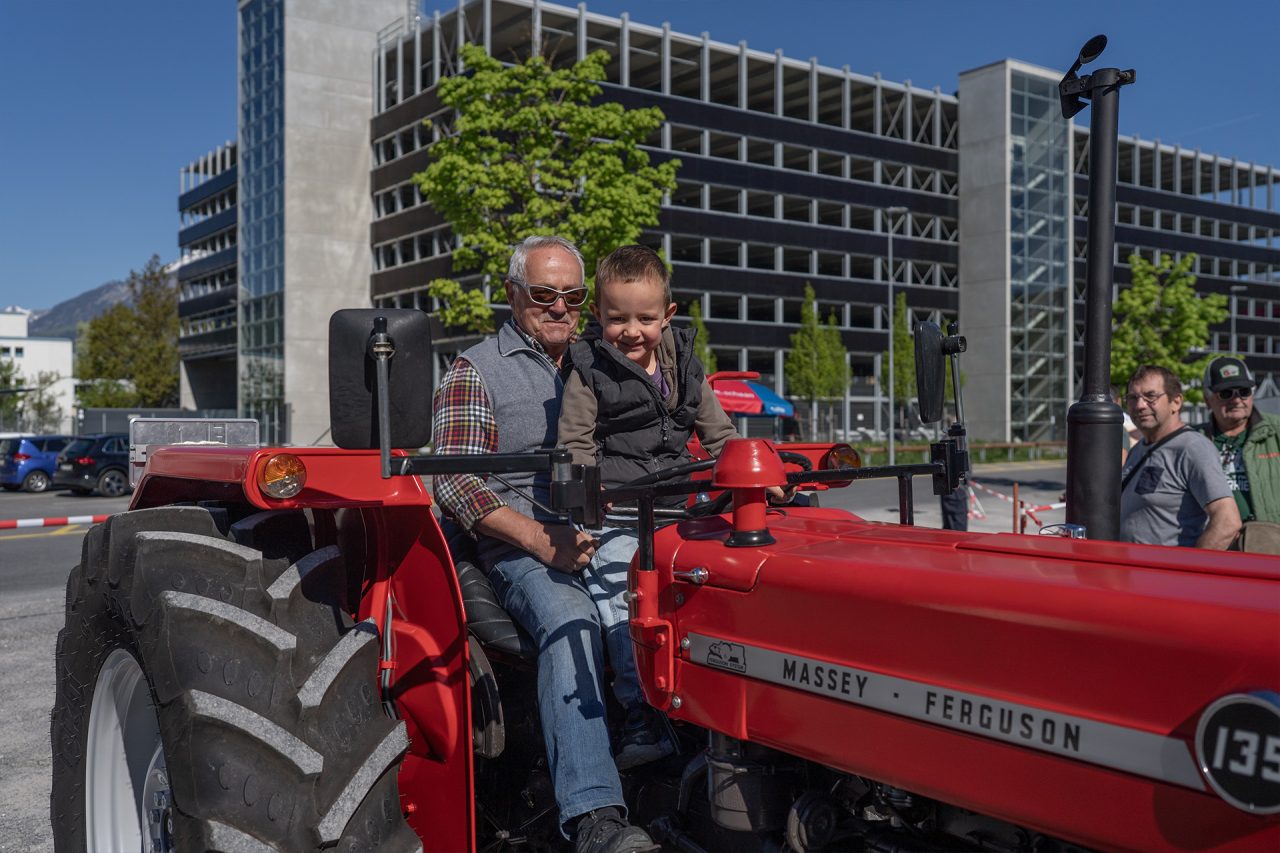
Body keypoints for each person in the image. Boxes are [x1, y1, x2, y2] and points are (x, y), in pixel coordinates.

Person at [431, 235, 657, 853]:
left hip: (612, 533)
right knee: (572, 622)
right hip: (520, 550)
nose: (560, 307)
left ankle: (679, 762)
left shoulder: (606, 357)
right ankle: (594, 819)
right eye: (544, 294)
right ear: (512, 295)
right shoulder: (475, 369)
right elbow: (454, 481)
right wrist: (539, 538)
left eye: (574, 296)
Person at [558, 245, 786, 768]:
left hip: (682, 506)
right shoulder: (588, 368)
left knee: (728, 579)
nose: (631, 331)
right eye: (617, 318)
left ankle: (726, 700)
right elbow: (575, 445)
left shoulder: (684, 361)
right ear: (597, 315)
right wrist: (585, 508)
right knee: (621, 602)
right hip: (620, 514)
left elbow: (719, 432)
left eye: (645, 318)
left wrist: (763, 477)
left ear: (668, 316)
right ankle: (641, 715)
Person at [1118, 365, 1240, 549]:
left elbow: (1227, 523)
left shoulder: (1193, 448)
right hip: (1130, 572)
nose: (1140, 405)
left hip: (1166, 575)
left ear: (1176, 402)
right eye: (1133, 398)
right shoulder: (1138, 449)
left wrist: (1191, 570)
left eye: (1151, 397)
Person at [1193, 356, 1280, 546]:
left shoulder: (1276, 431)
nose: (1237, 399)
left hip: (1269, 547)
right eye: (1226, 393)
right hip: (1215, 547)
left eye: (1244, 391)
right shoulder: (1192, 440)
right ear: (1207, 399)